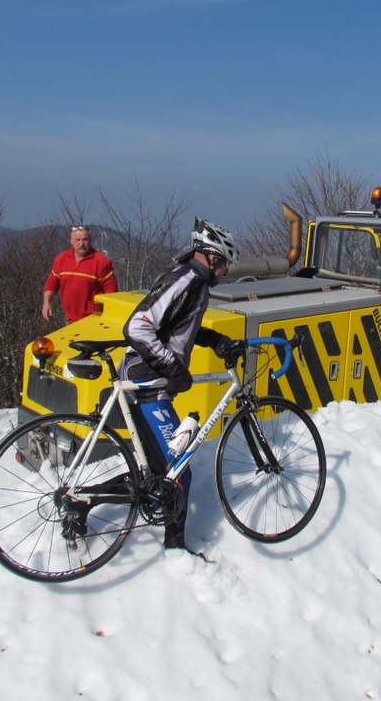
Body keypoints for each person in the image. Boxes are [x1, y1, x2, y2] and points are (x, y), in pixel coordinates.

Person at [118, 217, 239, 552]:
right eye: (225, 263)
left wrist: (213, 339)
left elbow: (176, 326)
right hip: (146, 382)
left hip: (148, 378)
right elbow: (137, 327)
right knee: (178, 470)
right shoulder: (187, 280)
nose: (226, 271)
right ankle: (175, 549)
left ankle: (84, 507)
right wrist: (174, 369)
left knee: (160, 469)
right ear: (211, 257)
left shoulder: (190, 279)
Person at [42, 226, 118, 323]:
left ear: (90, 241)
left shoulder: (101, 262)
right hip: (69, 319)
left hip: (93, 320)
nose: (81, 243)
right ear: (71, 241)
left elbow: (111, 290)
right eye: (78, 240)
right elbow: (52, 283)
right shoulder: (61, 260)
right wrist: (46, 303)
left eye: (85, 239)